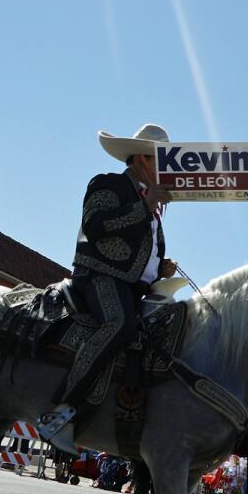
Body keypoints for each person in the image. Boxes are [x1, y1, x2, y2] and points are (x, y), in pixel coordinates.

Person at [38, 124, 179, 453]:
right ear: (142, 160)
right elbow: (95, 225)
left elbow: (138, 254)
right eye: (160, 161)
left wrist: (162, 268)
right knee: (118, 324)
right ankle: (60, 412)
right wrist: (143, 208)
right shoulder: (110, 183)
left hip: (135, 288)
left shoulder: (152, 204)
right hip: (98, 277)